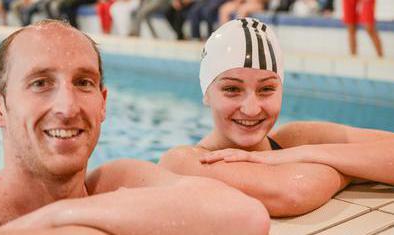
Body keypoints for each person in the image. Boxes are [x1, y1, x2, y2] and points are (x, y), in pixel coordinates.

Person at [0, 19, 270, 234]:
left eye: (83, 83)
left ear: (102, 103)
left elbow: (247, 216)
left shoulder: (115, 180)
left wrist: (56, 216)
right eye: (40, 83)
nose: (67, 108)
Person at [159, 17, 394, 217]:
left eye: (266, 89)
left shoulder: (296, 138)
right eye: (232, 89)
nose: (251, 109)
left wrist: (302, 153)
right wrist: (358, 167)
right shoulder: (182, 161)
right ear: (206, 94)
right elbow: (293, 193)